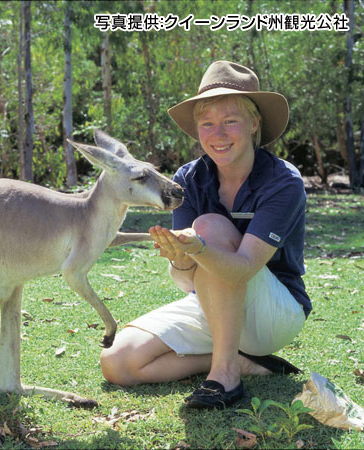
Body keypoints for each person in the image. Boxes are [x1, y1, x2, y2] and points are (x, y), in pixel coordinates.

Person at [100, 60, 311, 409]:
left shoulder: (282, 181)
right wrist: (181, 260)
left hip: (273, 313)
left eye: (230, 121)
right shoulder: (188, 179)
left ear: (254, 123)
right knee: (118, 363)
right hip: (213, 303)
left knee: (208, 227)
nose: (218, 134)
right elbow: (186, 282)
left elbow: (242, 270)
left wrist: (198, 246)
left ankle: (225, 376)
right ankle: (242, 362)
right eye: (207, 124)